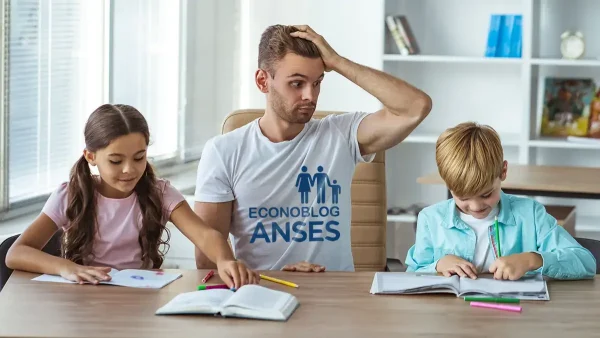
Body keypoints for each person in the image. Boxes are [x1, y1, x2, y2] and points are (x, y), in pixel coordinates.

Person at [194, 24, 432, 272]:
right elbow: (208, 259)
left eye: (317, 82)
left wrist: (338, 62)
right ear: (263, 81)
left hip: (335, 297)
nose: (311, 95)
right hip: (262, 293)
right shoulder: (223, 151)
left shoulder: (341, 134)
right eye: (297, 84)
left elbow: (416, 106)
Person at [6, 104, 258, 289]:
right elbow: (16, 253)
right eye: (116, 161)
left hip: (139, 296)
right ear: (91, 156)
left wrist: (225, 259)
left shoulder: (160, 192)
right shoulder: (69, 194)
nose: (130, 169)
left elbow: (205, 234)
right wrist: (68, 268)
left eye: (139, 157)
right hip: (82, 296)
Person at [405, 122, 596, 280]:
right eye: (463, 197)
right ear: (447, 183)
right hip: (452, 317)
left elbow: (585, 261)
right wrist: (438, 264)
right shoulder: (430, 219)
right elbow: (412, 272)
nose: (476, 207)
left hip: (516, 315)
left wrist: (531, 260)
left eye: (486, 194)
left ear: (503, 171)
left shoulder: (530, 214)